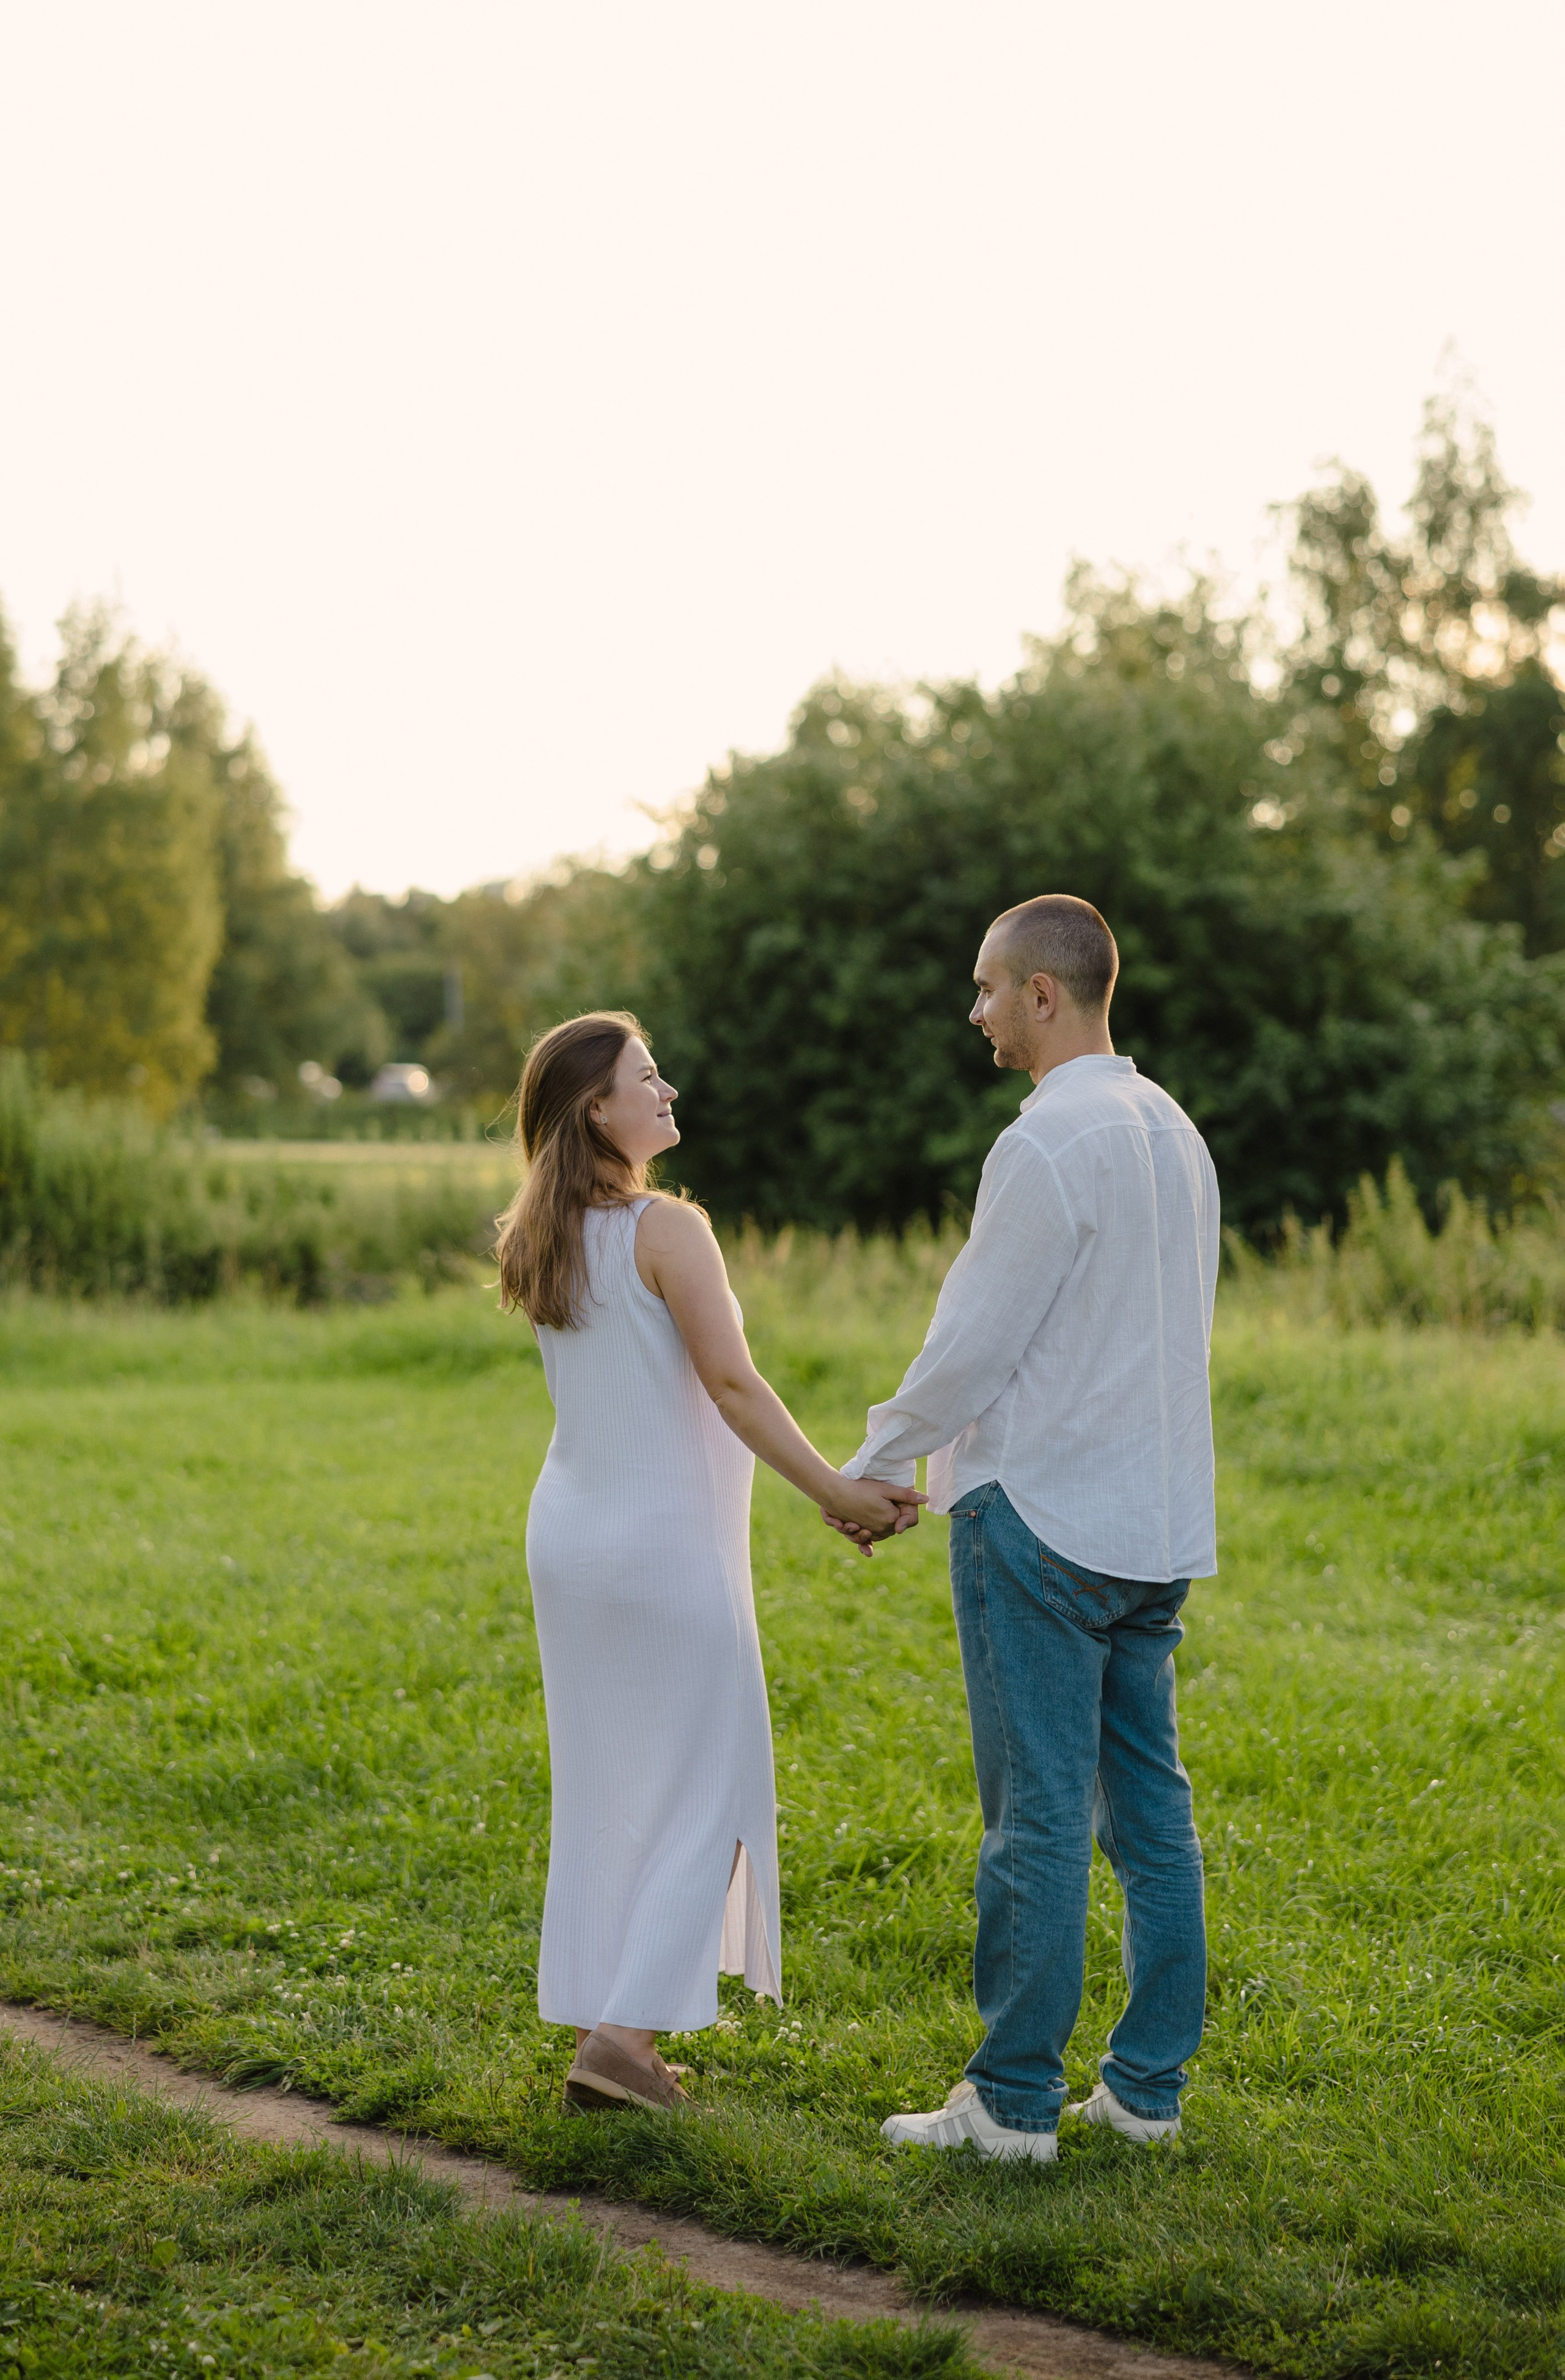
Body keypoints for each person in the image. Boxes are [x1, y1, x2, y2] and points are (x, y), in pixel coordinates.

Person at [830, 895, 1218, 2162]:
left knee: (1037, 1816)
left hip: (1042, 1519)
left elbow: (970, 1346)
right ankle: (1144, 2093)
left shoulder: (1045, 1143)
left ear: (1045, 995)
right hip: (1152, 1527)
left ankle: (1007, 2106)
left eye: (989, 989)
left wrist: (875, 1466)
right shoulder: (1171, 1130)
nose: (977, 1013)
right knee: (1149, 1811)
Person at [498, 1010, 922, 2115]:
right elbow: (732, 1387)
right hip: (659, 1546)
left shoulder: (541, 1235)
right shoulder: (666, 1228)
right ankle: (624, 2039)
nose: (670, 1087)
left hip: (572, 1541)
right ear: (600, 1108)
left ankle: (614, 2024)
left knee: (615, 1787)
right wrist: (837, 1490)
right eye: (648, 1076)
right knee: (721, 1785)